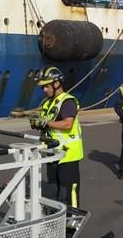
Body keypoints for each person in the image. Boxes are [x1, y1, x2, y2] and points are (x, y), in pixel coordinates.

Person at [31, 66, 84, 207]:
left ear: (56, 84)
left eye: (46, 86)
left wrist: (46, 123)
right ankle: (56, 221)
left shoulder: (67, 101)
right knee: (54, 190)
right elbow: (47, 123)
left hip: (68, 155)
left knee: (68, 192)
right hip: (52, 153)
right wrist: (38, 123)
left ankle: (71, 223)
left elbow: (68, 124)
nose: (44, 90)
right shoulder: (47, 103)